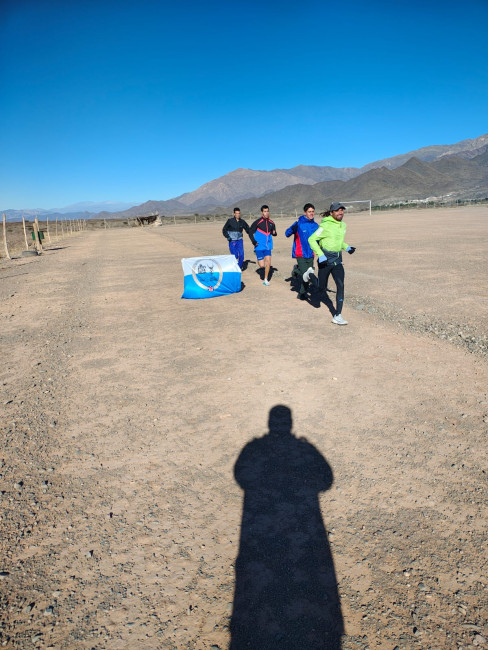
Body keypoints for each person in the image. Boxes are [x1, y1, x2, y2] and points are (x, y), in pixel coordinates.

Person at [306, 202, 356, 325]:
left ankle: (338, 315)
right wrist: (320, 254)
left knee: (341, 285)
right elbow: (311, 239)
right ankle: (310, 275)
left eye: (342, 210)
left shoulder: (343, 225)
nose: (340, 212)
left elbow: (338, 241)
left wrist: (347, 247)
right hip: (325, 260)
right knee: (321, 288)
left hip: (337, 260)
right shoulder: (325, 226)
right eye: (337, 210)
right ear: (331, 212)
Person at [285, 203, 319, 299]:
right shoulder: (298, 224)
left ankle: (302, 293)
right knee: (306, 274)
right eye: (309, 212)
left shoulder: (316, 226)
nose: (311, 213)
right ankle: (296, 270)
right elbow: (287, 234)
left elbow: (319, 239)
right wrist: (292, 229)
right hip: (300, 253)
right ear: (305, 213)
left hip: (311, 253)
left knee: (308, 275)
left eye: (313, 211)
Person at [249, 205, 277, 286]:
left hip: (268, 246)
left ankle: (265, 279)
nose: (266, 213)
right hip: (259, 246)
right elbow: (250, 232)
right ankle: (258, 256)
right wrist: (253, 241)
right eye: (265, 211)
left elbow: (274, 232)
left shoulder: (272, 223)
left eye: (267, 211)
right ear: (262, 212)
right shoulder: (258, 222)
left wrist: (274, 233)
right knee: (262, 265)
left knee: (268, 262)